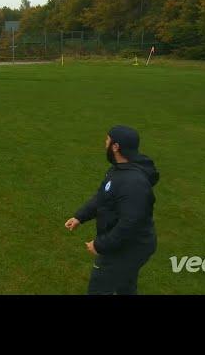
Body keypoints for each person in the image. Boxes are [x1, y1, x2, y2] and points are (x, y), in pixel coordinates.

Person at [64, 126, 159, 295]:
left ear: (116, 147)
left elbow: (130, 224)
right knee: (125, 285)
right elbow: (102, 197)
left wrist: (100, 245)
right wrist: (79, 217)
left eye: (107, 140)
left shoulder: (133, 183)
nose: (105, 143)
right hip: (126, 244)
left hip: (129, 247)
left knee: (99, 289)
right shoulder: (119, 169)